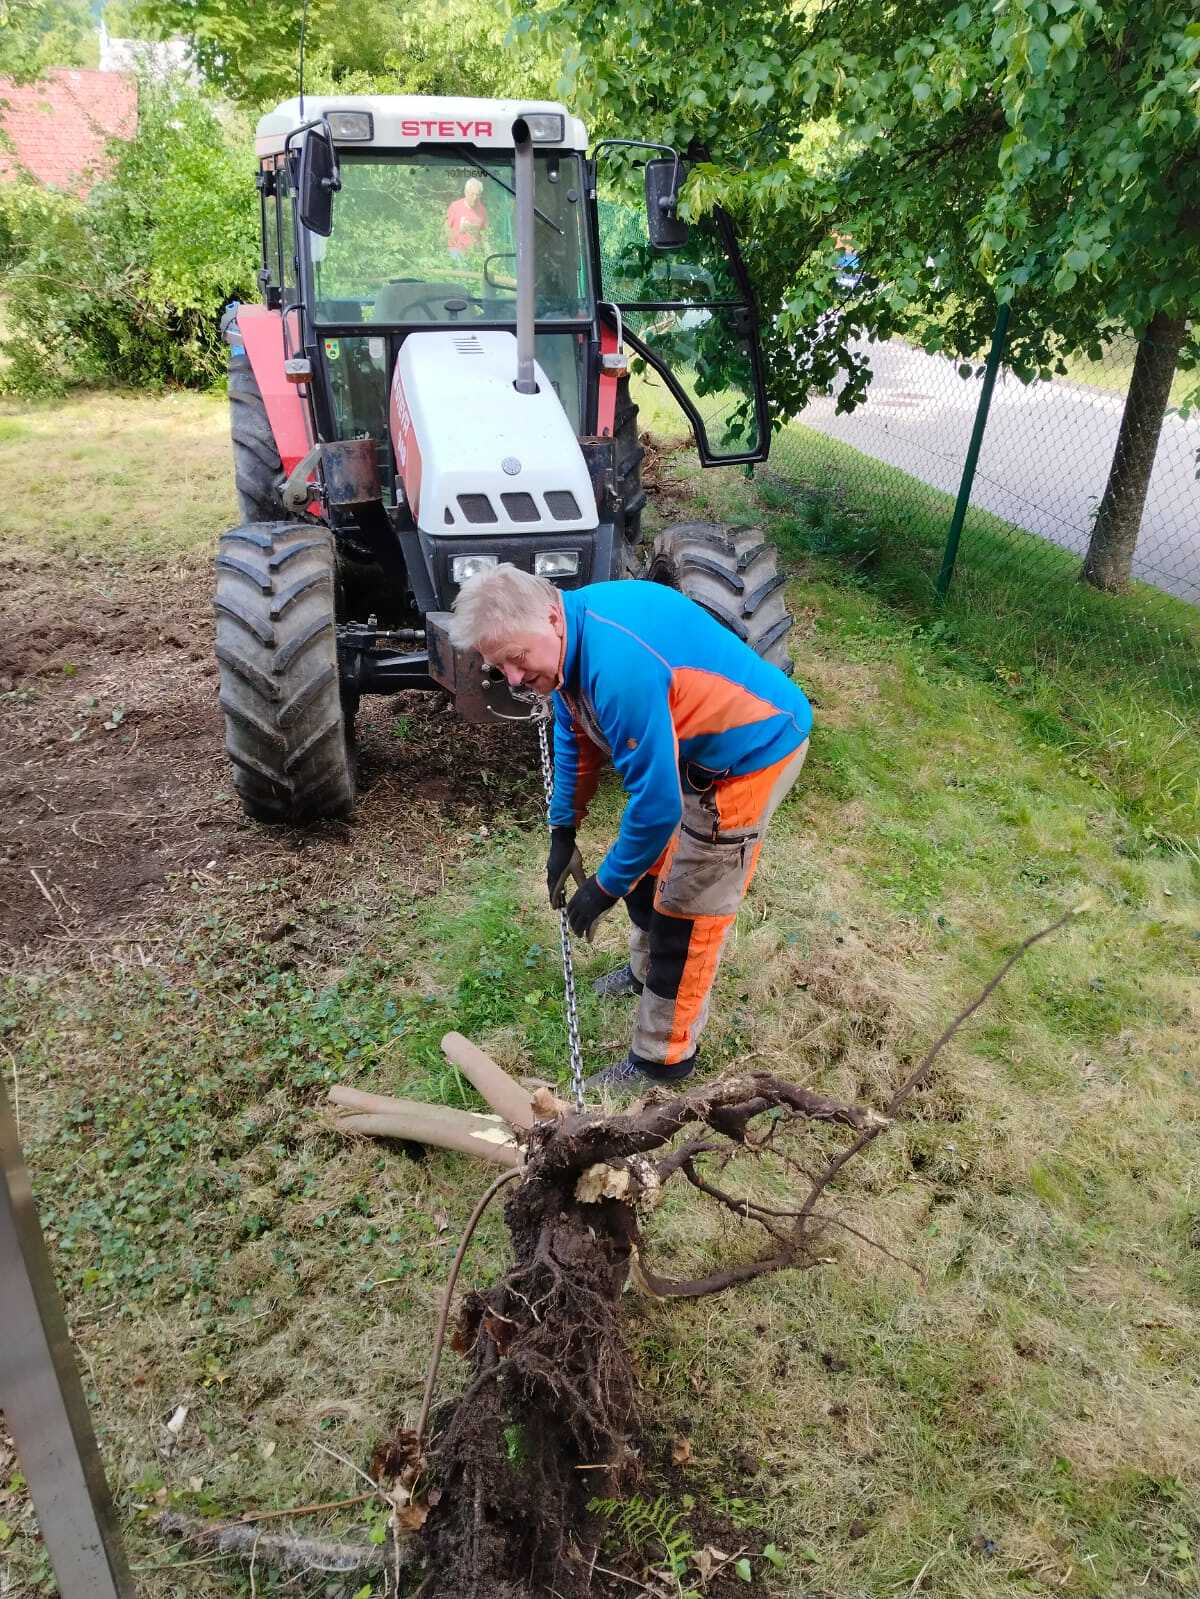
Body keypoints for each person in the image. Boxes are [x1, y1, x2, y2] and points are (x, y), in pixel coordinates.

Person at [448, 565, 813, 1093]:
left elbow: (657, 808)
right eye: (498, 665)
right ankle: (643, 973)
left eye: (517, 658)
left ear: (550, 617)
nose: (514, 678)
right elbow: (573, 735)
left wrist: (604, 887)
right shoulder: (570, 642)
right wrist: (562, 830)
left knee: (688, 910)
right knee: (651, 869)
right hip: (690, 750)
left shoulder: (619, 666)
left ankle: (662, 1060)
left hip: (753, 754)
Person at [446, 177, 487, 260]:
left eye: (477, 195)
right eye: (472, 194)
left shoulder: (482, 210)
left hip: (474, 253)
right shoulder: (455, 206)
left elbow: (484, 233)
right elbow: (446, 228)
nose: (475, 198)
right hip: (456, 250)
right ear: (466, 192)